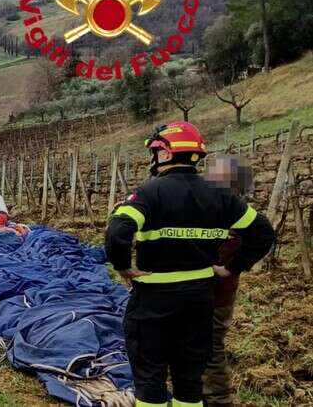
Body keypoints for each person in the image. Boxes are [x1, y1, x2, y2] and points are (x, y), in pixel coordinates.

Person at [104, 122, 274, 407]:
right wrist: (232, 267)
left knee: (150, 378)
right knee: (189, 380)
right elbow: (263, 233)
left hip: (153, 302)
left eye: (156, 151)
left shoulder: (149, 192)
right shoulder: (222, 196)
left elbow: (117, 231)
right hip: (199, 300)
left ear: (167, 154)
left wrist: (123, 266)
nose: (153, 158)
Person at [201, 155, 256, 407]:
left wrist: (229, 268)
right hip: (208, 294)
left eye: (214, 177)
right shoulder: (220, 210)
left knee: (211, 348)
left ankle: (218, 400)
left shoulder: (234, 218)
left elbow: (260, 239)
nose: (206, 179)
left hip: (216, 296)